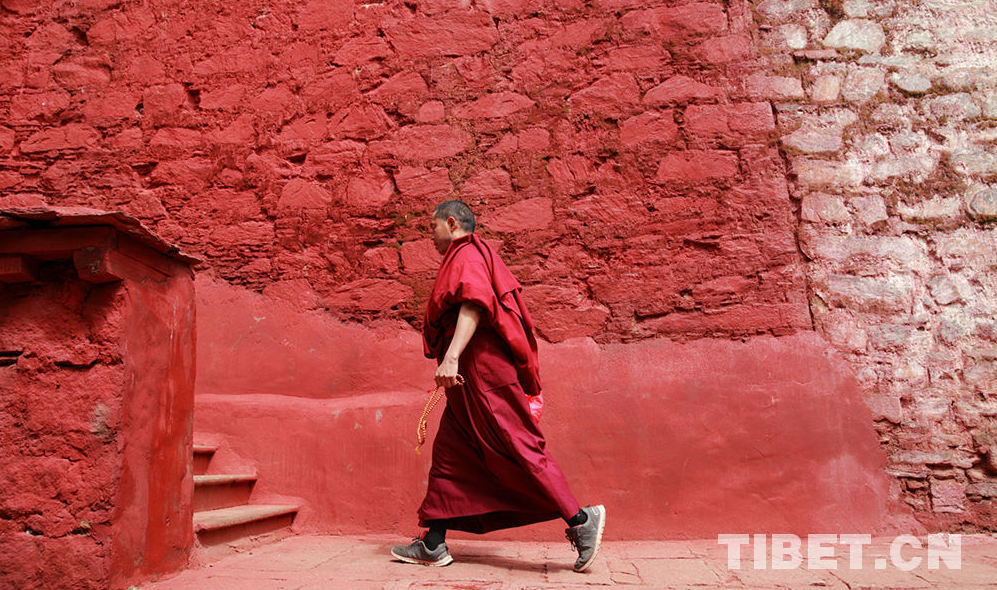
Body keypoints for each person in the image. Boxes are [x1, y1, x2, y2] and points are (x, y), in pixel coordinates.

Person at [391, 199, 605, 572]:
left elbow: (474, 304)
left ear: (452, 223)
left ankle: (580, 521)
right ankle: (433, 542)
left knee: (518, 443)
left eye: (433, 227)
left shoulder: (467, 254)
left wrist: (453, 355)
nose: (431, 235)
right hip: (468, 376)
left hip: (481, 368)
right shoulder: (467, 254)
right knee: (451, 453)